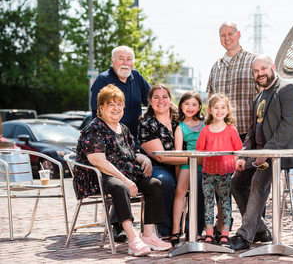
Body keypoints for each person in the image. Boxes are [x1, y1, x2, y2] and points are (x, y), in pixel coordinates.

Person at [74, 85, 172, 256]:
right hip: (96, 177)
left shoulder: (123, 128)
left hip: (122, 173)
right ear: (101, 108)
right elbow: (98, 161)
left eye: (119, 104)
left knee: (155, 183)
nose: (116, 108)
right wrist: (126, 180)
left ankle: (148, 235)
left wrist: (144, 158)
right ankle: (133, 239)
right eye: (110, 104)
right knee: (121, 186)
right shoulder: (95, 129)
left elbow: (132, 152)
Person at [229, 55, 293, 250]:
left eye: (263, 68)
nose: (260, 73)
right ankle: (261, 230)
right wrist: (244, 156)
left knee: (258, 182)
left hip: (280, 153)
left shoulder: (287, 89)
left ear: (272, 67)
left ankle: (245, 236)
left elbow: (289, 126)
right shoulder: (259, 97)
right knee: (236, 183)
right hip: (262, 153)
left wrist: (268, 151)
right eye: (256, 71)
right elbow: (253, 131)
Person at [90, 45, 150, 242]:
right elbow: (97, 114)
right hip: (109, 142)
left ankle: (152, 228)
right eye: (121, 58)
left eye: (129, 59)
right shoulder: (103, 80)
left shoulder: (136, 77)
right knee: (120, 178)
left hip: (131, 139)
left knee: (151, 177)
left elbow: (154, 100)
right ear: (112, 60)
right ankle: (119, 225)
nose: (125, 62)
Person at [138, 84, 205, 240]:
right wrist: (195, 159)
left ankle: (194, 230)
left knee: (202, 180)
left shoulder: (180, 117)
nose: (161, 101)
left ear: (170, 100)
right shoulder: (146, 123)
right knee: (165, 182)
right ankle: (166, 229)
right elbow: (161, 156)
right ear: (149, 101)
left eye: (164, 97)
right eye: (156, 97)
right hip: (158, 166)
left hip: (185, 165)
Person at [196, 93, 242, 245]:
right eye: (216, 107)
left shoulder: (231, 129)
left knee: (225, 203)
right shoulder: (205, 130)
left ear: (228, 110)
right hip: (208, 173)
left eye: (223, 107)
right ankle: (209, 233)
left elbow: (238, 150)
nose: (219, 111)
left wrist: (231, 165)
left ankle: (225, 233)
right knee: (208, 202)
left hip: (225, 173)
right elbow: (199, 152)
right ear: (209, 110)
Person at [207, 21, 258, 141]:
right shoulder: (216, 66)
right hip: (220, 134)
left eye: (230, 34)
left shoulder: (254, 61)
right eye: (223, 35)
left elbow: (265, 94)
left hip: (248, 133)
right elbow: (210, 99)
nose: (226, 38)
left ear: (239, 34)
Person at [170, 91, 204, 246]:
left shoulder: (206, 124)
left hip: (205, 163)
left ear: (199, 107)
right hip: (187, 162)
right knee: (180, 192)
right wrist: (178, 175)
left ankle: (210, 230)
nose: (190, 107)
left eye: (194, 104)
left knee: (208, 192)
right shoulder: (180, 127)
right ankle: (175, 231)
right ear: (181, 106)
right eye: (187, 104)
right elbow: (178, 154)